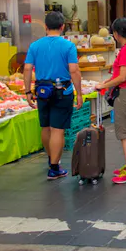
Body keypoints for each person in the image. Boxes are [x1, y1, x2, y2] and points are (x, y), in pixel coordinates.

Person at [22, 12, 84, 180]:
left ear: (46, 27)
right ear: (63, 27)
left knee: (46, 127)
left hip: (42, 91)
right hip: (62, 91)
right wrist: (79, 93)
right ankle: (55, 168)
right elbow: (74, 70)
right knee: (58, 130)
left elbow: (27, 69)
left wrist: (27, 91)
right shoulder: (68, 46)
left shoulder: (35, 46)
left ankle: (51, 160)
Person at [95, 18, 126, 185]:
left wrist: (103, 84)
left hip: (125, 93)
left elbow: (121, 77)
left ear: (115, 33)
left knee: (124, 134)